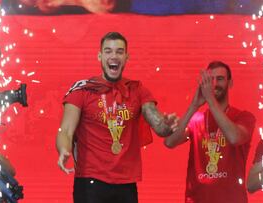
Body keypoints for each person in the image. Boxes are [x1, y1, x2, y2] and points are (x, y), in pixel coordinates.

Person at [56, 31, 177, 203]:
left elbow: (158, 124)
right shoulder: (83, 90)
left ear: (127, 57)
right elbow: (66, 130)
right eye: (108, 51)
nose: (114, 56)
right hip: (90, 181)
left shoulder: (136, 90)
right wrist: (63, 149)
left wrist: (167, 125)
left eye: (119, 52)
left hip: (126, 183)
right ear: (99, 56)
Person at [164, 61, 256, 203]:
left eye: (219, 79)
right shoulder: (196, 119)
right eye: (210, 80)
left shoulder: (243, 117)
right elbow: (170, 142)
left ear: (230, 83)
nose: (214, 84)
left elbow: (234, 137)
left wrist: (210, 99)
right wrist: (194, 105)